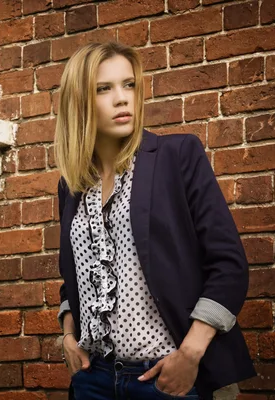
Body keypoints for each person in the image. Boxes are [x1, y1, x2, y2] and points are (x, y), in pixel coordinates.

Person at [54, 41, 256, 400]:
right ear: (78, 102)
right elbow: (75, 280)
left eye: (129, 84)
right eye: (104, 88)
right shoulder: (71, 188)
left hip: (167, 379)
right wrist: (68, 336)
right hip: (92, 380)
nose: (122, 98)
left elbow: (229, 265)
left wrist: (191, 353)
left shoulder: (176, 157)